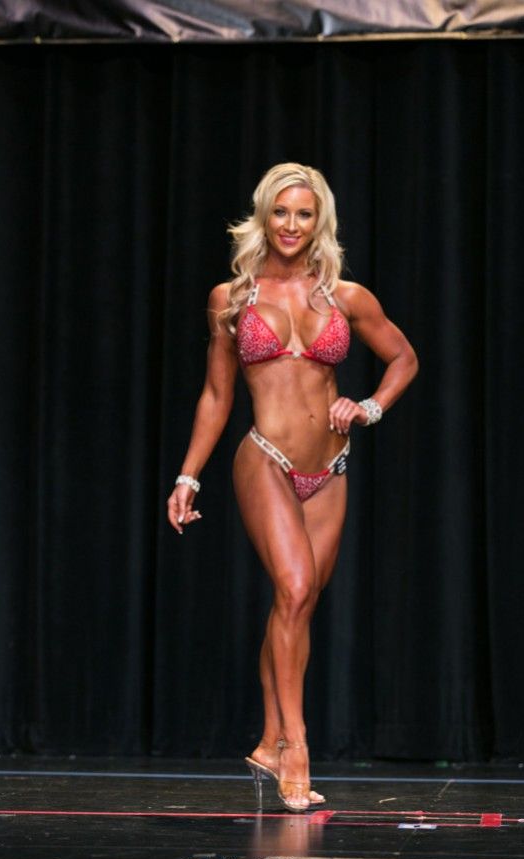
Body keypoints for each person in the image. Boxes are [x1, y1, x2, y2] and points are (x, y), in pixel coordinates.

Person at [166, 163, 418, 812]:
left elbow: (403, 357)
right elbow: (217, 395)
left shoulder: (345, 296)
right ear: (263, 215)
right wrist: (188, 475)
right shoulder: (232, 298)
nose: (291, 224)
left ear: (319, 221)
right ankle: (296, 747)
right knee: (296, 588)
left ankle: (268, 740)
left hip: (330, 469)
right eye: (281, 211)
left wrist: (369, 407)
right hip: (266, 459)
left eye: (304, 214)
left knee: (296, 606)